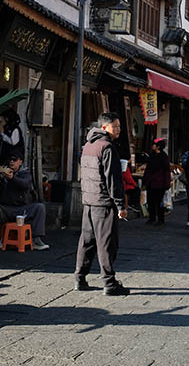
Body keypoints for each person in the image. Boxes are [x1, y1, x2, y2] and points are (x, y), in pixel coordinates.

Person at [74, 113, 130, 296]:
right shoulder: (107, 147)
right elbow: (113, 180)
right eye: (116, 126)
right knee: (106, 243)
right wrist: (121, 205)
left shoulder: (88, 146)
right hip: (103, 202)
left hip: (89, 201)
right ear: (105, 127)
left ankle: (80, 278)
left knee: (87, 241)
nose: (119, 130)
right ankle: (109, 282)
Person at [0, 153, 50, 251]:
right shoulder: (2, 173)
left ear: (20, 161)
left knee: (40, 207)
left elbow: (25, 184)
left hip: (22, 209)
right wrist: (0, 179)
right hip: (5, 208)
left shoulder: (25, 173)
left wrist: (12, 178)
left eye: (14, 160)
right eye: (10, 160)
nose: (12, 162)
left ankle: (36, 239)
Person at [143, 138, 171, 226]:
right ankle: (152, 218)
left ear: (158, 146)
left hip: (160, 183)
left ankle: (160, 219)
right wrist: (145, 181)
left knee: (159, 202)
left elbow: (166, 171)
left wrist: (167, 184)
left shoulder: (164, 157)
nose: (152, 146)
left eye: (154, 144)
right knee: (150, 201)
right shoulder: (152, 155)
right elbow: (147, 170)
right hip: (151, 183)